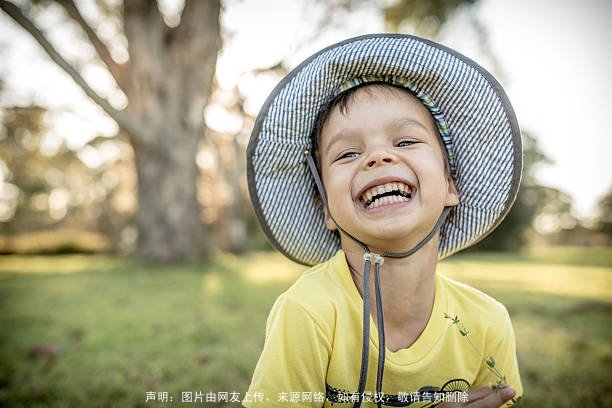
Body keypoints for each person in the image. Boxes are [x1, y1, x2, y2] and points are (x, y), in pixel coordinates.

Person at [244, 34, 523, 407]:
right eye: (347, 153)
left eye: (405, 142)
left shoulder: (487, 322)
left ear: (451, 186)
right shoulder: (309, 312)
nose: (377, 156)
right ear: (326, 208)